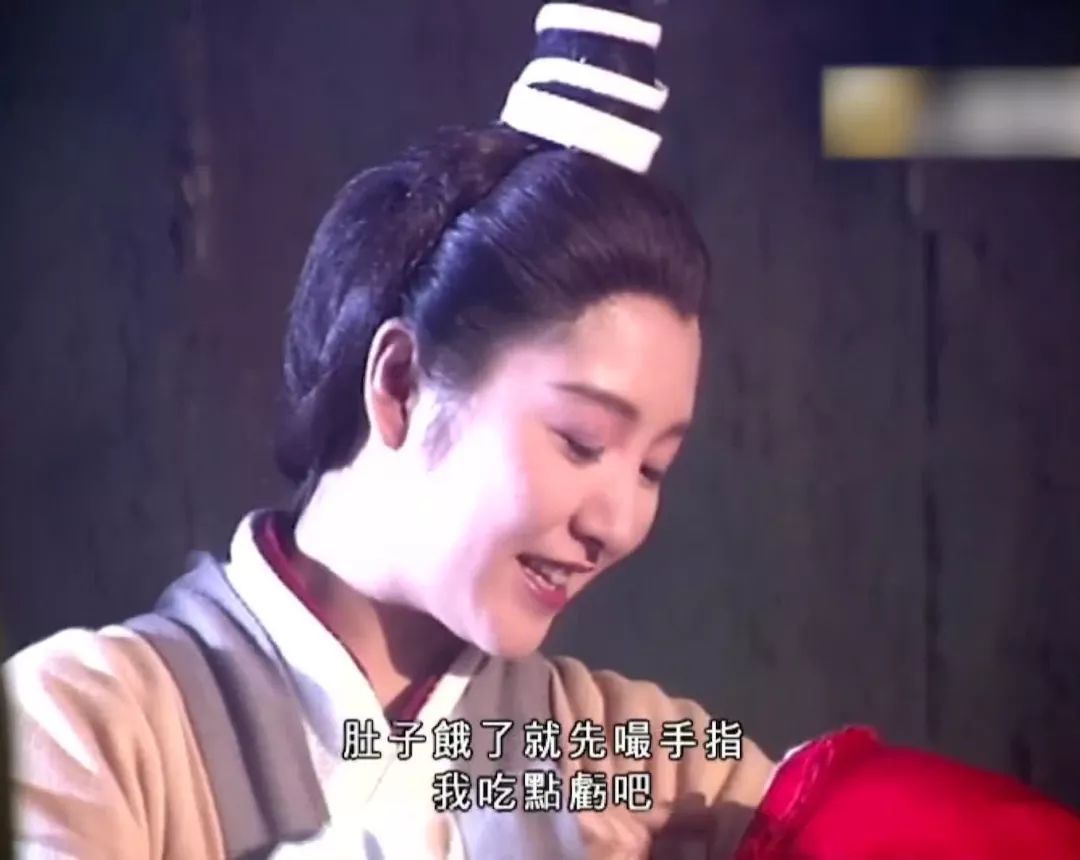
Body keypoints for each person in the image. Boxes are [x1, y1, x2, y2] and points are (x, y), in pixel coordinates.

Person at [6, 3, 1080, 858]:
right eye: (581, 440)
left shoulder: (635, 751)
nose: (619, 520)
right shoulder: (81, 725)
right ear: (400, 382)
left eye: (656, 465)